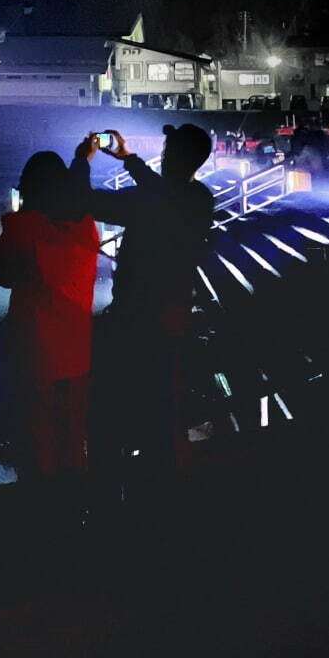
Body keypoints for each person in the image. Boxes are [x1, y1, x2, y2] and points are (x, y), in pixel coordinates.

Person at [74, 123, 216, 500]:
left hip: (132, 318)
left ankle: (112, 496)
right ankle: (162, 491)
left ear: (173, 156)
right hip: (171, 319)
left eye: (169, 149)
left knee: (113, 409)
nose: (165, 155)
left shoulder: (150, 201)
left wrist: (82, 162)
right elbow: (165, 195)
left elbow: (86, 200)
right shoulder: (200, 200)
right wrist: (130, 161)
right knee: (164, 408)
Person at [0, 150, 99, 492]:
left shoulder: (25, 227)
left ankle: (41, 509)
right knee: (72, 434)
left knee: (36, 437)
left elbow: (0, 272)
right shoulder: (86, 227)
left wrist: (21, 216)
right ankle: (74, 505)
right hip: (76, 349)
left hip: (34, 349)